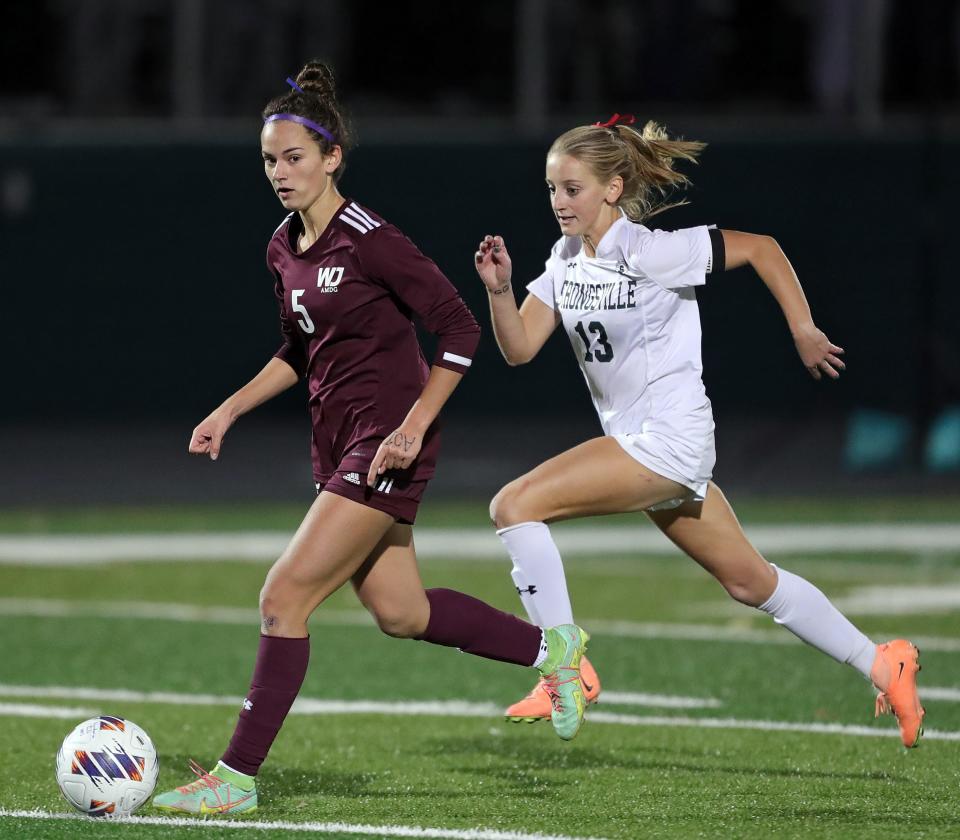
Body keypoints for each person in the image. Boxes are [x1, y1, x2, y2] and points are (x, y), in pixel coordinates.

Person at [152, 61, 589, 817]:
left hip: (387, 442)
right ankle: (554, 652)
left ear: (332, 159)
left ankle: (235, 780)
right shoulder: (282, 248)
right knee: (402, 612)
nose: (280, 173)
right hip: (342, 444)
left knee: (283, 597)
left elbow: (457, 331)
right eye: (268, 160)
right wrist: (229, 409)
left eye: (293, 157)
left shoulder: (373, 240)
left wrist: (414, 427)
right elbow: (300, 349)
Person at [473, 114, 925, 747]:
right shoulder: (564, 259)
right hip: (643, 448)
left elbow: (762, 247)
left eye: (572, 188)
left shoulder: (652, 250)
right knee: (751, 582)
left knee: (513, 505)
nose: (558, 202)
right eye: (551, 189)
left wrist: (802, 328)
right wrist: (498, 291)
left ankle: (562, 666)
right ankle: (884, 663)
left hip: (667, 440)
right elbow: (519, 349)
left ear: (613, 187)